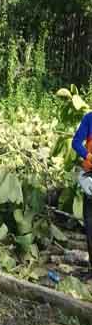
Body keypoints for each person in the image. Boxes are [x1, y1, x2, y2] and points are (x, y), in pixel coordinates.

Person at [72, 112, 92, 275]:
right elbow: (76, 142)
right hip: (90, 175)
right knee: (90, 222)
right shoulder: (89, 118)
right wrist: (88, 155)